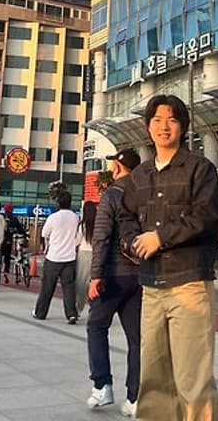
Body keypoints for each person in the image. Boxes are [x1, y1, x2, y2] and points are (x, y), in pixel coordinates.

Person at [120, 95, 218, 421]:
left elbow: (205, 217)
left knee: (194, 379)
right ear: (147, 127)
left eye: (172, 120)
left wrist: (160, 237)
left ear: (183, 127)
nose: (164, 126)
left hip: (189, 284)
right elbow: (126, 218)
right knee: (154, 379)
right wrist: (133, 243)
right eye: (157, 120)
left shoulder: (200, 169)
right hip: (151, 287)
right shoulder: (140, 175)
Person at [86, 148, 141, 417]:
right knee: (137, 338)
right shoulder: (145, 193)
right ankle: (135, 397)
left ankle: (102, 385)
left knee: (96, 326)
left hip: (112, 274)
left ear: (118, 166)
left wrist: (96, 276)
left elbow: (101, 237)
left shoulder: (112, 194)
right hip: (140, 276)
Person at [32, 190, 80, 323]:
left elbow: (44, 233)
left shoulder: (53, 217)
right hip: (69, 257)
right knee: (69, 287)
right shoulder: (75, 217)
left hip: (54, 256)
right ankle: (71, 314)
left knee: (47, 287)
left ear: (58, 203)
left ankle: (40, 312)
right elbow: (77, 236)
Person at [76, 200, 97, 316]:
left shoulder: (82, 226)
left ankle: (78, 308)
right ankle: (94, 309)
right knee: (94, 281)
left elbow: (77, 241)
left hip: (83, 253)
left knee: (81, 282)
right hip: (95, 254)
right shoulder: (98, 225)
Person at [1, 205, 25, 284]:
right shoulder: (14, 219)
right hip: (9, 240)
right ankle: (6, 271)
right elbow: (20, 229)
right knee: (7, 257)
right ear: (11, 210)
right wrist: (24, 233)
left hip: (0, 240)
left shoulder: (2, 217)